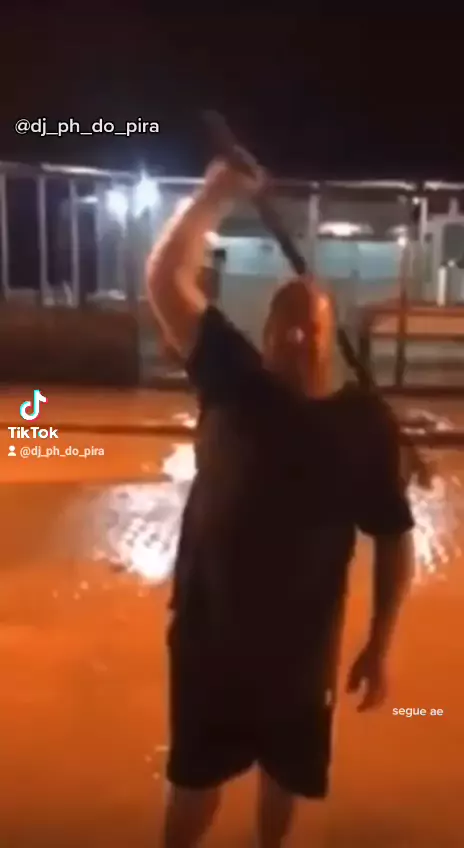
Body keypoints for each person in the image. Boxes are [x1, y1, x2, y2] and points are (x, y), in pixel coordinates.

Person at [146, 158, 414, 848]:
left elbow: (394, 537)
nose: (295, 337)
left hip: (302, 655)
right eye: (283, 325)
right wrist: (215, 195)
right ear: (263, 333)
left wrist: (380, 644)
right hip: (209, 643)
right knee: (194, 783)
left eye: (311, 326)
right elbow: (165, 279)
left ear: (331, 336)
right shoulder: (231, 377)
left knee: (286, 778)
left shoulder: (364, 424)